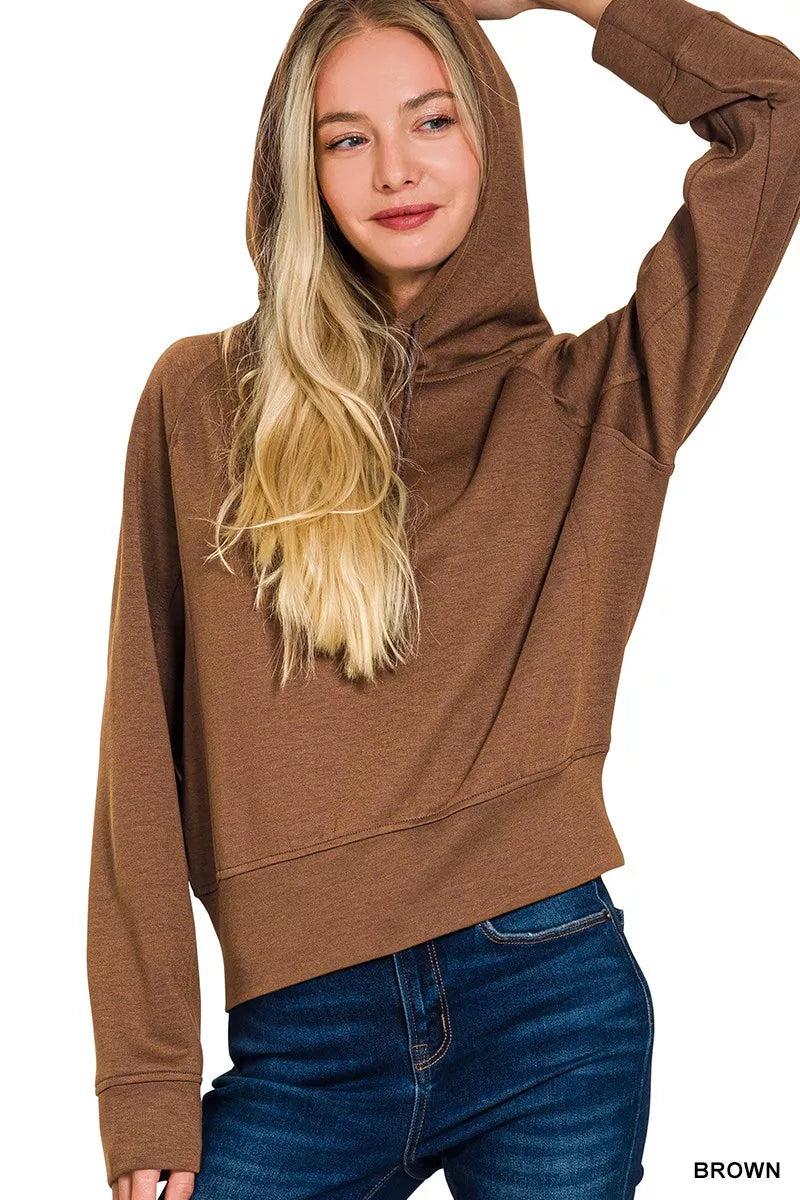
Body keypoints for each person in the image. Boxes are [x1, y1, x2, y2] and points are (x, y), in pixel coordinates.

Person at [86, 0, 800, 1196]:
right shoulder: (202, 400)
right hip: (300, 1046)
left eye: (431, 120)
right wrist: (146, 1081)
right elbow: (138, 759)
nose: (394, 169)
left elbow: (777, 114)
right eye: (345, 137)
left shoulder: (597, 399)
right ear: (298, 169)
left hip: (550, 1004)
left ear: (490, 135)